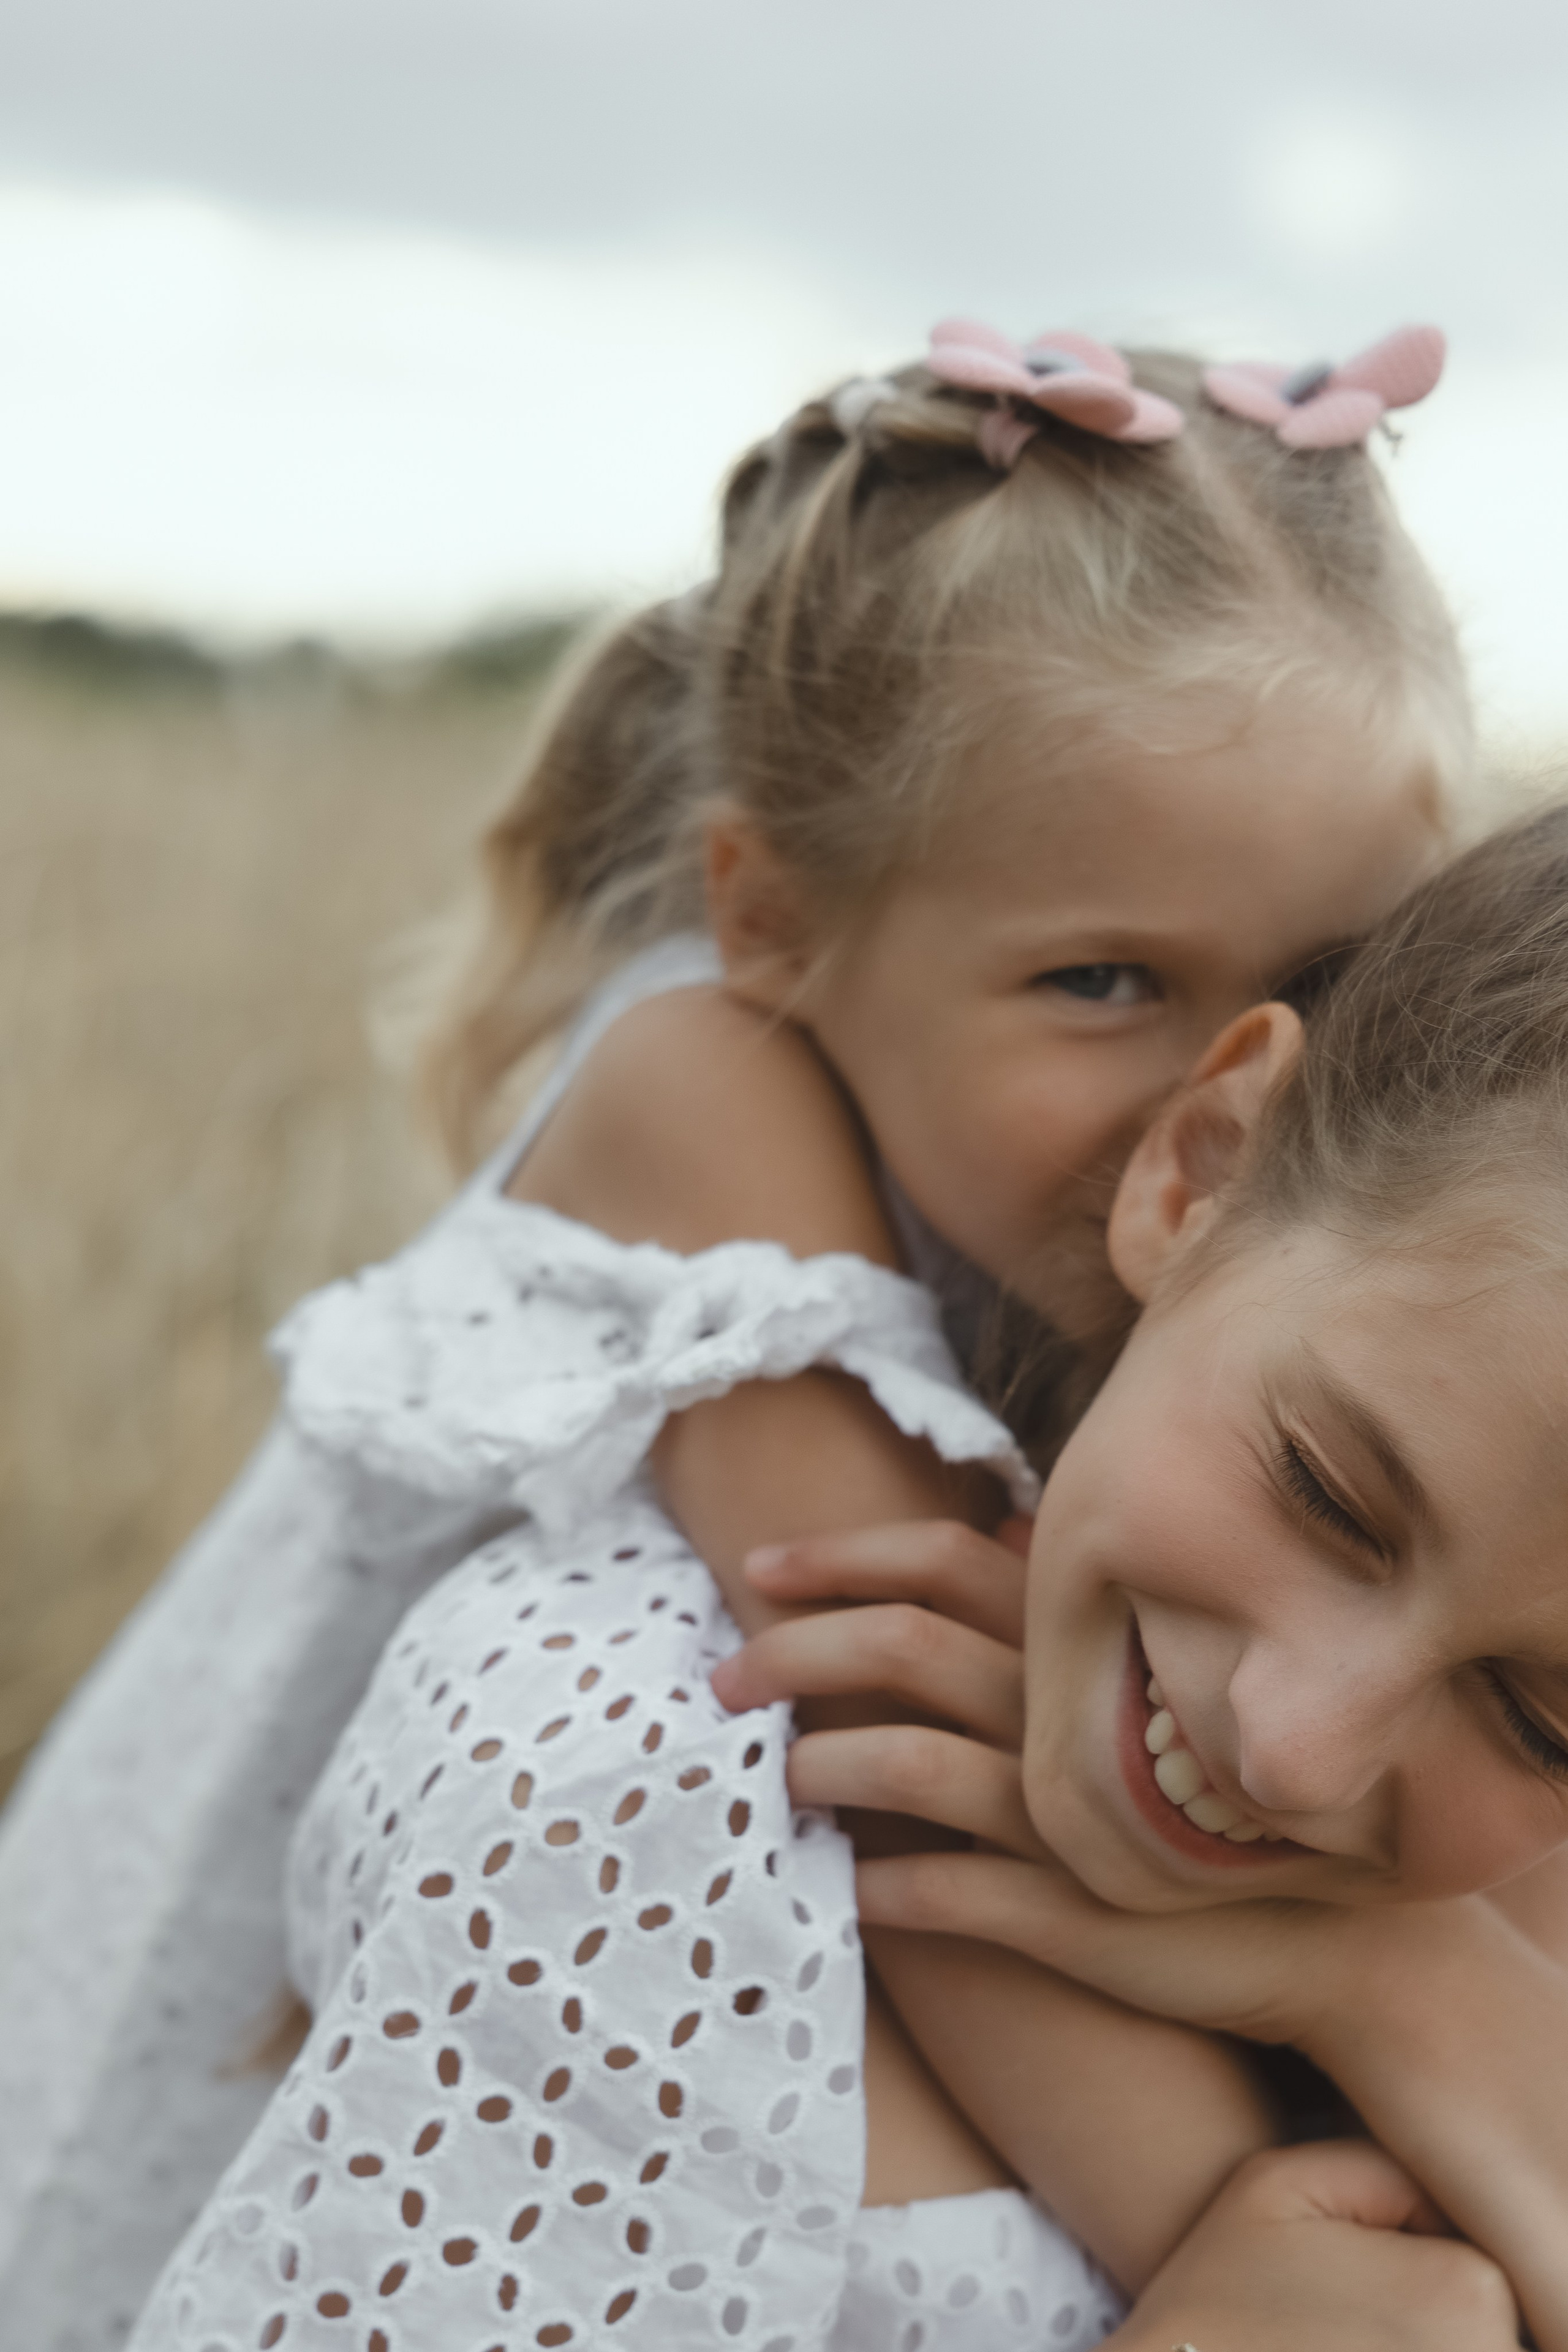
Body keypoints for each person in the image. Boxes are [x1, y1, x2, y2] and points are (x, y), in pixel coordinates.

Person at [0, 318, 1460, 2350]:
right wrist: (1243, 2233)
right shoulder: (697, 1080)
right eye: (1102, 981)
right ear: (771, 914)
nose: (1228, 1090)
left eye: (1322, 976)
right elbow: (894, 1726)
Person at [723, 805, 1568, 2352]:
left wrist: (1404, 1986)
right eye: (1326, 1497)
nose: (1293, 1750)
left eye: (1538, 1724)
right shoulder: (656, 1794)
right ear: (1201, 1171)